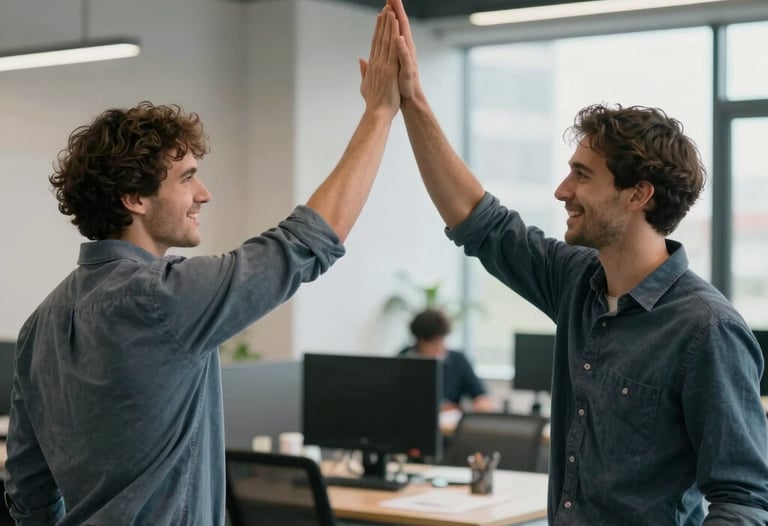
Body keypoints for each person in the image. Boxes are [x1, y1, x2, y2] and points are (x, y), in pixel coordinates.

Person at [4, 6, 405, 525]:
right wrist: (378, 115)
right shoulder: (164, 299)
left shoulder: (41, 323)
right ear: (134, 197)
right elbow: (305, 243)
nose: (204, 193)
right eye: (186, 178)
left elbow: (28, 491)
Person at [382, 0, 768, 524]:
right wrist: (412, 103)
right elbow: (480, 222)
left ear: (639, 194)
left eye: (583, 176)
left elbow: (742, 501)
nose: (563, 190)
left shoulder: (708, 330)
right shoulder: (575, 280)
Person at [400, 309, 493, 412]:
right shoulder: (403, 360)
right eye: (433, 343)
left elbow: (481, 395)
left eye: (442, 340)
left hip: (447, 426)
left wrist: (481, 402)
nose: (439, 347)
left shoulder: (457, 360)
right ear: (420, 341)